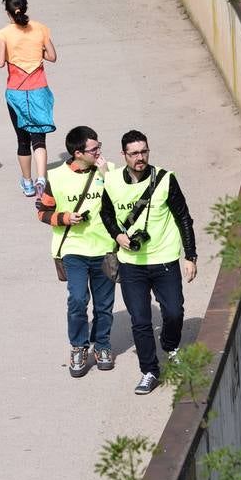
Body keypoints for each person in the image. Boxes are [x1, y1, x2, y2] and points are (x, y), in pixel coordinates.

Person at [101, 130, 197, 395]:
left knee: (174, 311)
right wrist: (118, 235)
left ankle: (170, 344)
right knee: (140, 319)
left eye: (144, 151)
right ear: (124, 155)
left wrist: (190, 256)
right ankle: (149, 371)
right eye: (134, 153)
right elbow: (106, 214)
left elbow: (184, 218)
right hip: (131, 263)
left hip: (164, 258)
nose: (140, 157)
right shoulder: (111, 181)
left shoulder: (165, 179)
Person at [37, 126, 116, 377]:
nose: (99, 152)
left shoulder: (109, 170)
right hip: (74, 250)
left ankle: (102, 345)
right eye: (94, 149)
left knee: (104, 304)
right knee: (78, 299)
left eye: (99, 146)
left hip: (105, 248)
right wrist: (65, 217)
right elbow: (42, 212)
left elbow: (124, 201)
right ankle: (79, 346)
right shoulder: (57, 177)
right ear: (78, 152)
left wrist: (107, 177)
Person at [0, 0, 57, 199]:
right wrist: (35, 51)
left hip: (16, 92)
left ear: (8, 12)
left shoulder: (3, 34)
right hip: (39, 89)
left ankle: (28, 183)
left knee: (22, 140)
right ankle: (42, 178)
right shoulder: (41, 29)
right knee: (39, 138)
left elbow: (0, 62)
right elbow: (52, 56)